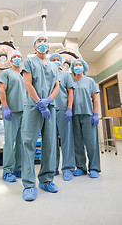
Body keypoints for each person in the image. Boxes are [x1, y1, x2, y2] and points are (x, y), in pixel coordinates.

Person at [21, 33, 60, 201]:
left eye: (45, 41)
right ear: (34, 46)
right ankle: (29, 184)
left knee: (50, 143)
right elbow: (28, 84)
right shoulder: (29, 62)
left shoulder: (53, 66)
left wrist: (49, 100)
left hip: (49, 106)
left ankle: (46, 179)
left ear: (48, 46)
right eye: (39, 41)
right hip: (33, 107)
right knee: (28, 143)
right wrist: (39, 103)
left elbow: (57, 87)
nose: (43, 43)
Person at [71, 59, 101, 178]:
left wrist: (95, 114)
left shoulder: (90, 81)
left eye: (80, 65)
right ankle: (81, 167)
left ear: (84, 67)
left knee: (91, 142)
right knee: (77, 143)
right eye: (76, 65)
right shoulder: (71, 81)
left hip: (88, 114)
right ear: (72, 68)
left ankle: (94, 168)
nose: (78, 67)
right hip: (74, 115)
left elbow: (95, 99)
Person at [0, 50, 24, 182]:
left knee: (21, 142)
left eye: (19, 56)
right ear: (10, 60)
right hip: (11, 112)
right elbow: (2, 90)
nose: (17, 59)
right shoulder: (6, 73)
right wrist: (5, 107)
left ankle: (18, 169)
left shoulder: (25, 75)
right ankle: (7, 170)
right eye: (14, 57)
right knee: (10, 142)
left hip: (25, 112)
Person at [49, 53, 75, 181]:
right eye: (53, 60)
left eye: (57, 60)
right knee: (51, 140)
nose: (55, 61)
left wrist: (69, 108)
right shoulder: (47, 75)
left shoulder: (65, 75)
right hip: (50, 111)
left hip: (64, 110)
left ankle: (68, 168)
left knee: (67, 140)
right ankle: (53, 168)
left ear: (61, 62)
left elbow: (70, 92)